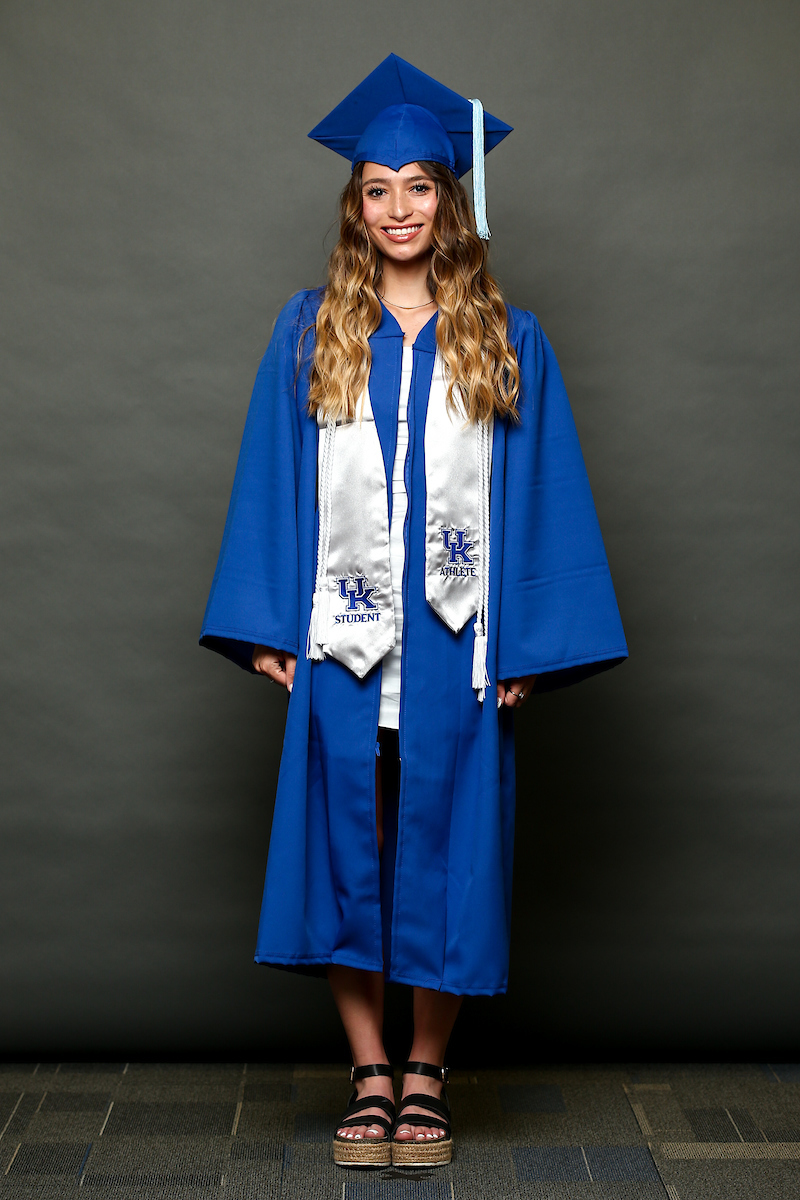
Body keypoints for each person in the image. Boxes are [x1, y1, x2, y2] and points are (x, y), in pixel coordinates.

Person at [200, 54, 627, 1170]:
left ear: (453, 200)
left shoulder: (502, 339)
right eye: (376, 188)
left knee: (444, 845)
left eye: (419, 186)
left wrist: (531, 643)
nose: (397, 207)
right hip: (339, 645)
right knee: (353, 842)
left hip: (458, 646)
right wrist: (262, 625)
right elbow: (270, 479)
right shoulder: (311, 333)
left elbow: (542, 497)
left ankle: (427, 1072)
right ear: (356, 206)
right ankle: (368, 1070)